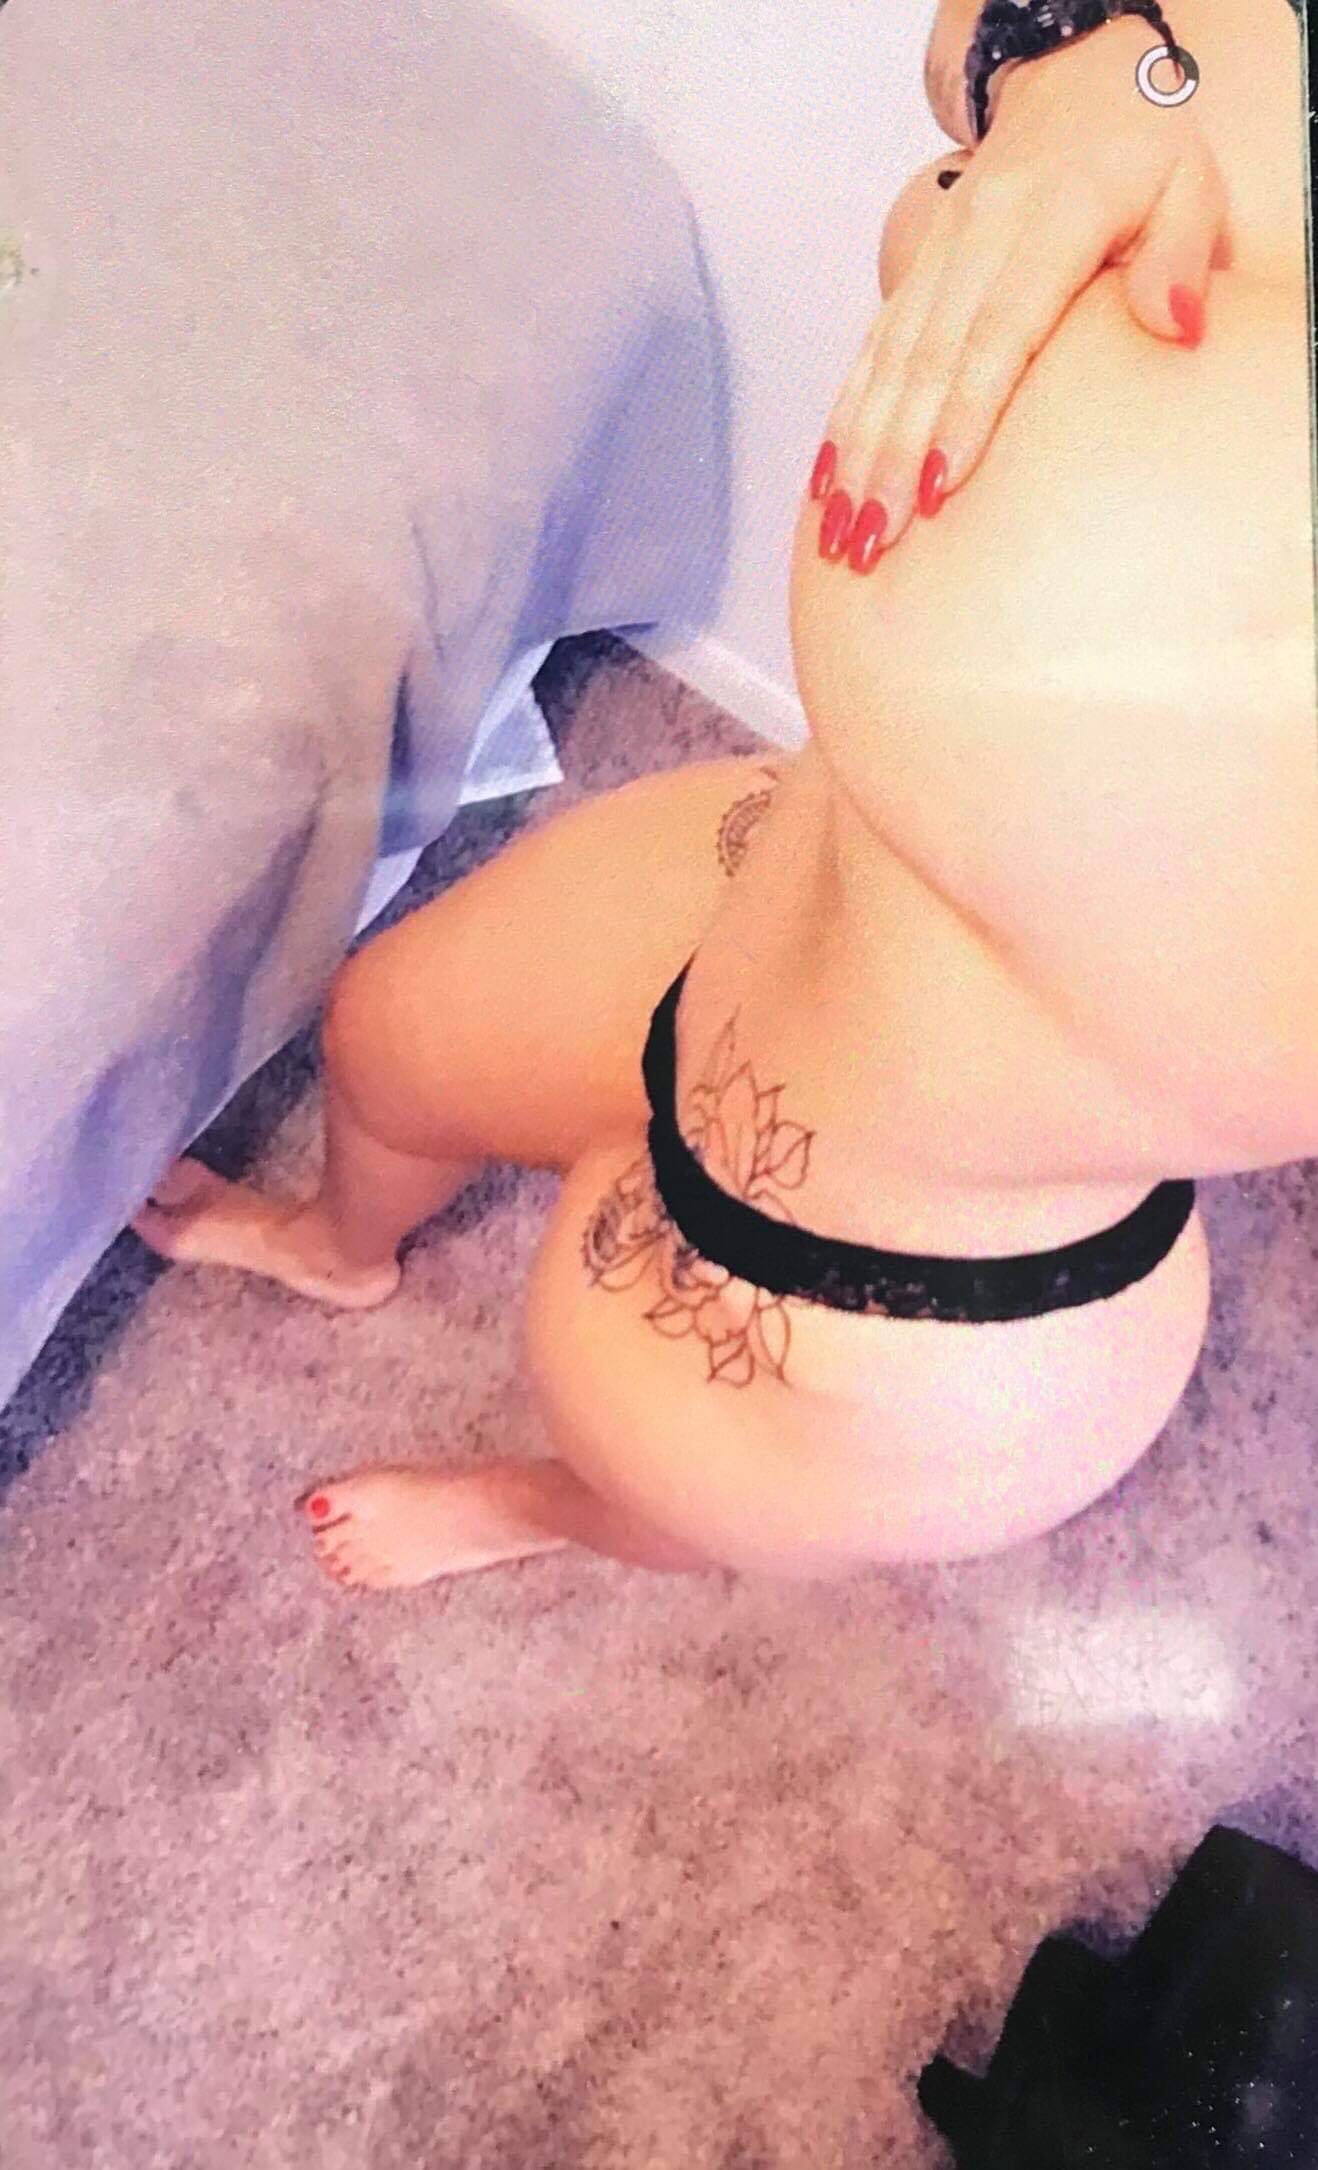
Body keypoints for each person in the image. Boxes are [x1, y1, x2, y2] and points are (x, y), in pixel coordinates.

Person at [131, 0, 1314, 1590]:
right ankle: (333, 1250)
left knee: (627, 1449)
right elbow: (976, 46)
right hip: (794, 866)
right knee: (387, 1031)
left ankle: (536, 1507)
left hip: (899, 1288)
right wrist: (1082, 65)